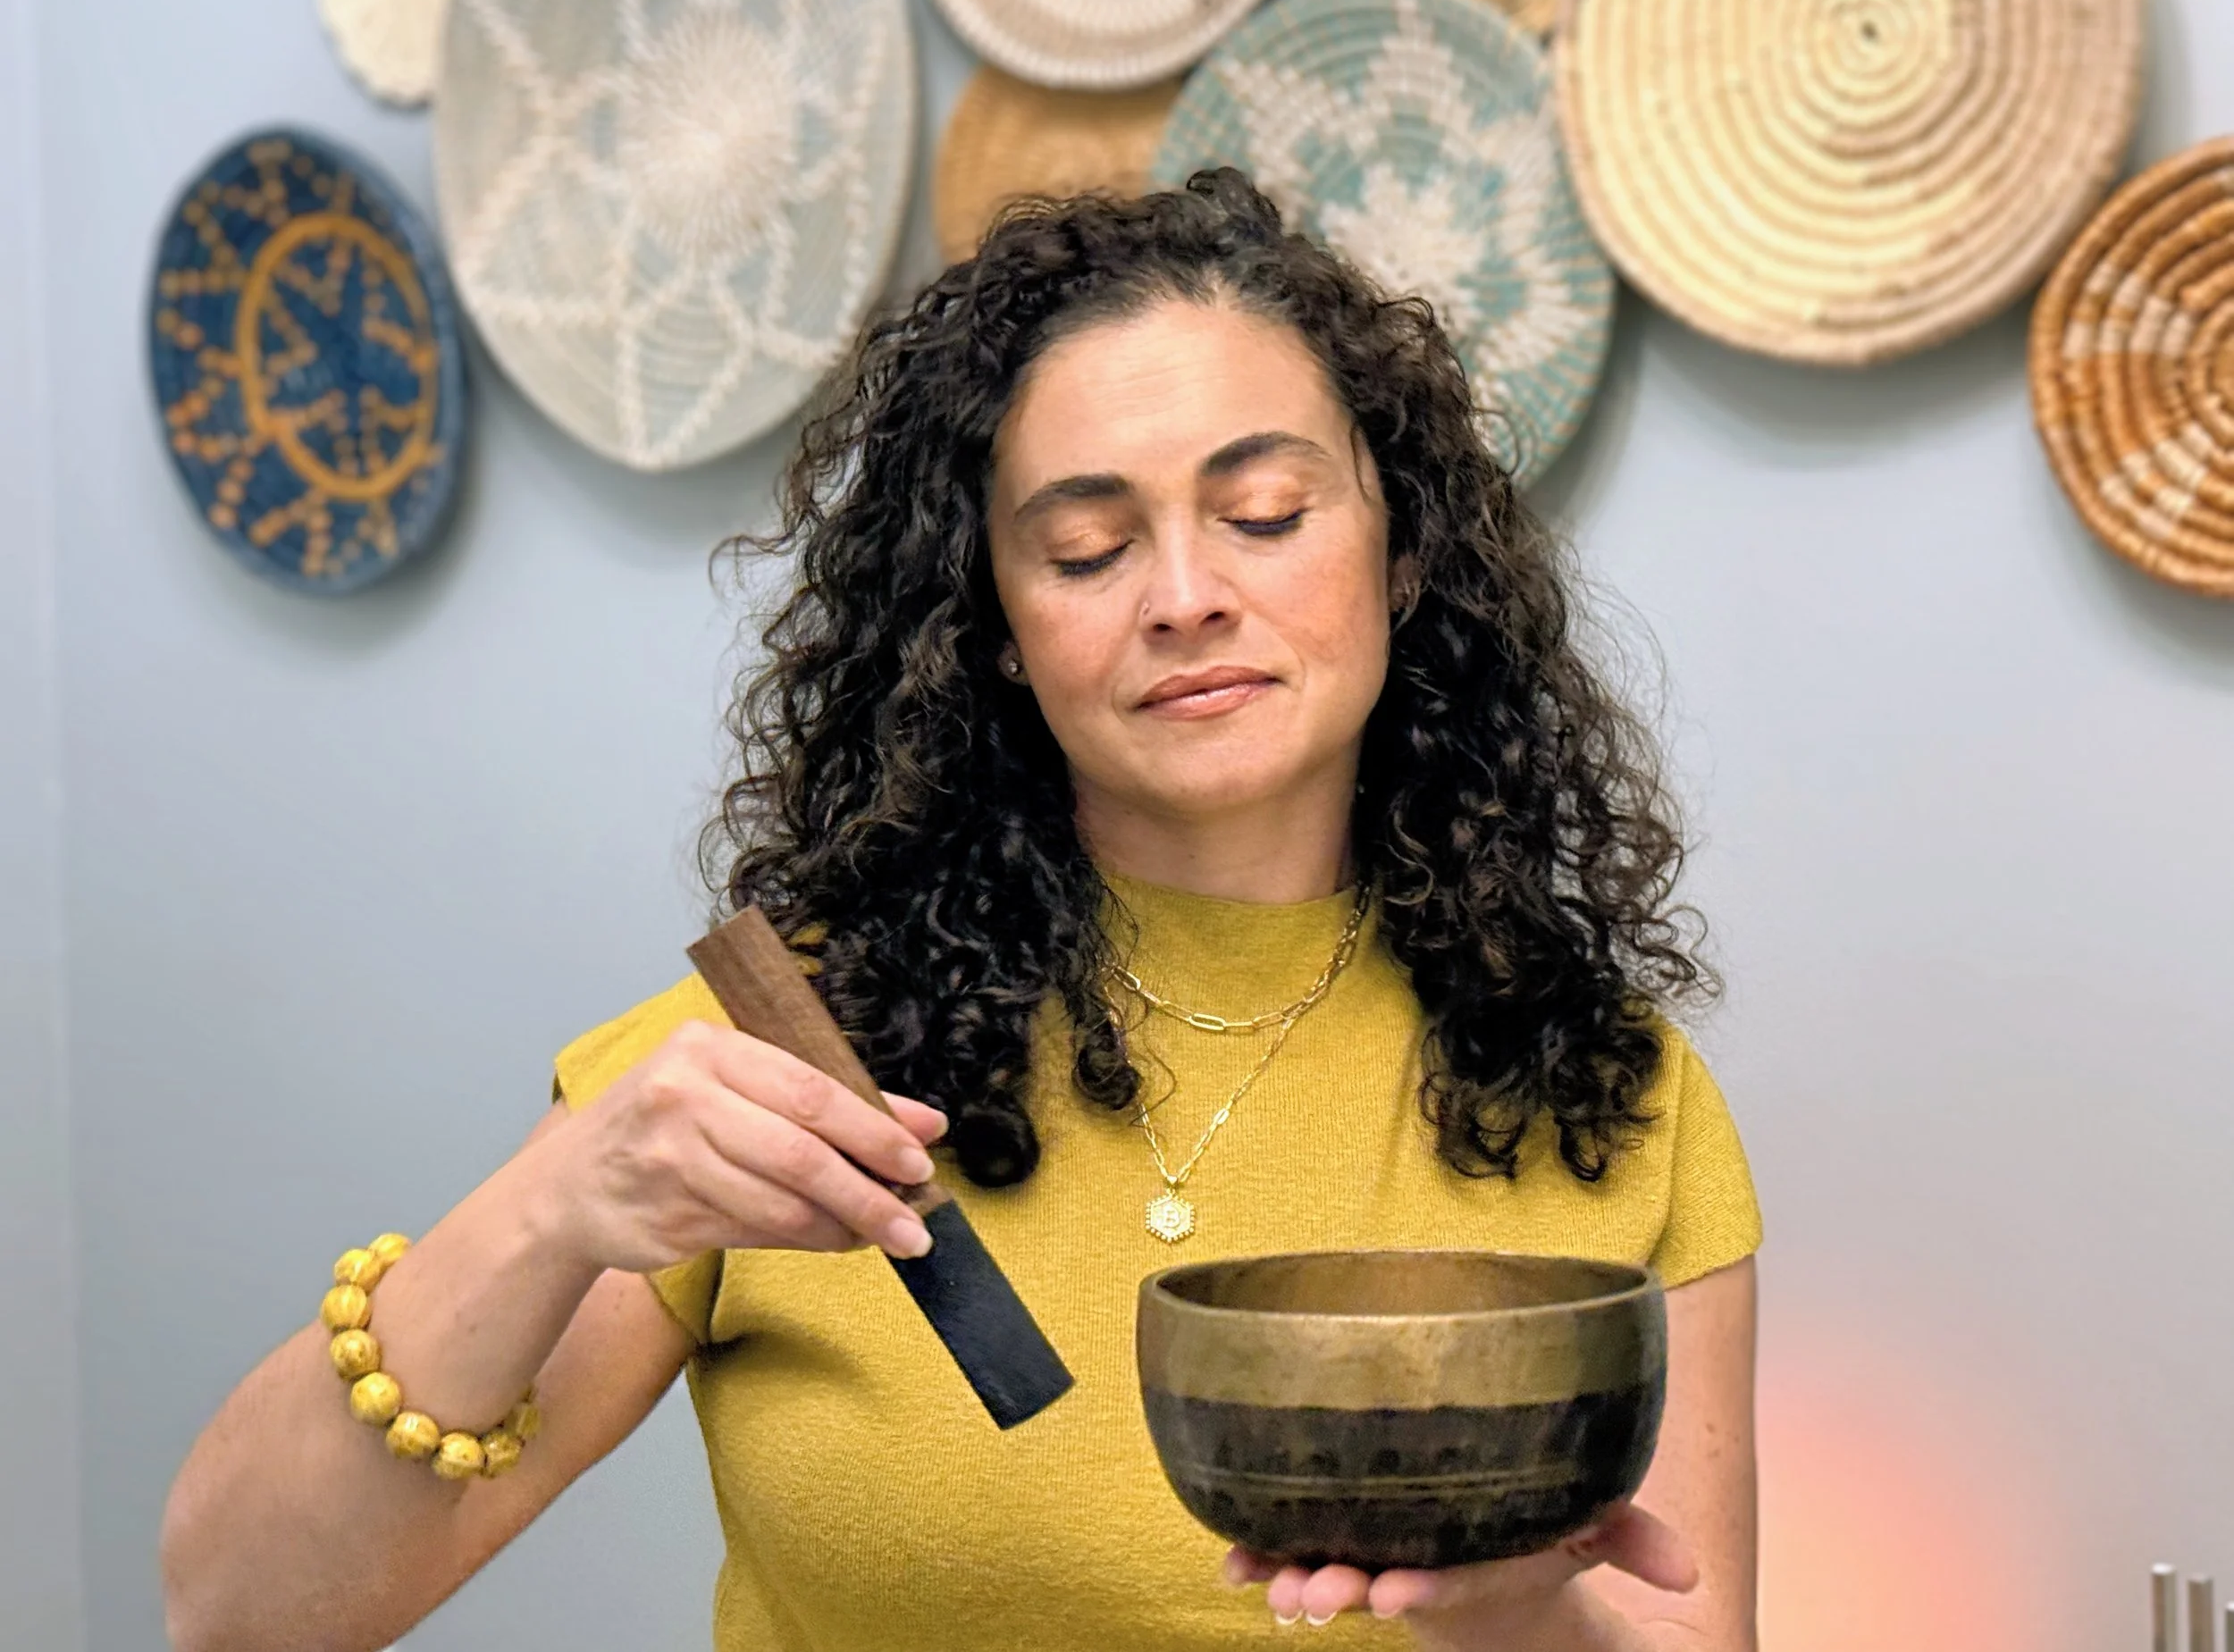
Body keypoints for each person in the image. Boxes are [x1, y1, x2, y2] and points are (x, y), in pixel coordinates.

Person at [161, 168, 1760, 1652]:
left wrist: (1515, 1611)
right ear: (993, 621)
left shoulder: (1614, 1094)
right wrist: (549, 1208)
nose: (1185, 594)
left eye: (1267, 512)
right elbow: (236, 1607)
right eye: (1086, 547)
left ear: (1400, 550)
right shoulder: (782, 1062)